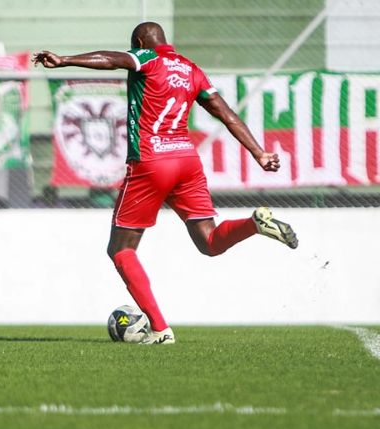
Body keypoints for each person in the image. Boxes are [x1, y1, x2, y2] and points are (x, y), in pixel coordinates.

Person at [33, 22, 298, 345]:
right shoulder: (191, 69)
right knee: (210, 242)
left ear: (142, 42)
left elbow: (112, 59)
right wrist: (259, 153)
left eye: (135, 46)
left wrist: (66, 60)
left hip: (151, 161)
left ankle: (160, 329)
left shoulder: (148, 58)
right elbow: (226, 114)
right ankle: (254, 224)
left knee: (120, 249)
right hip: (186, 160)